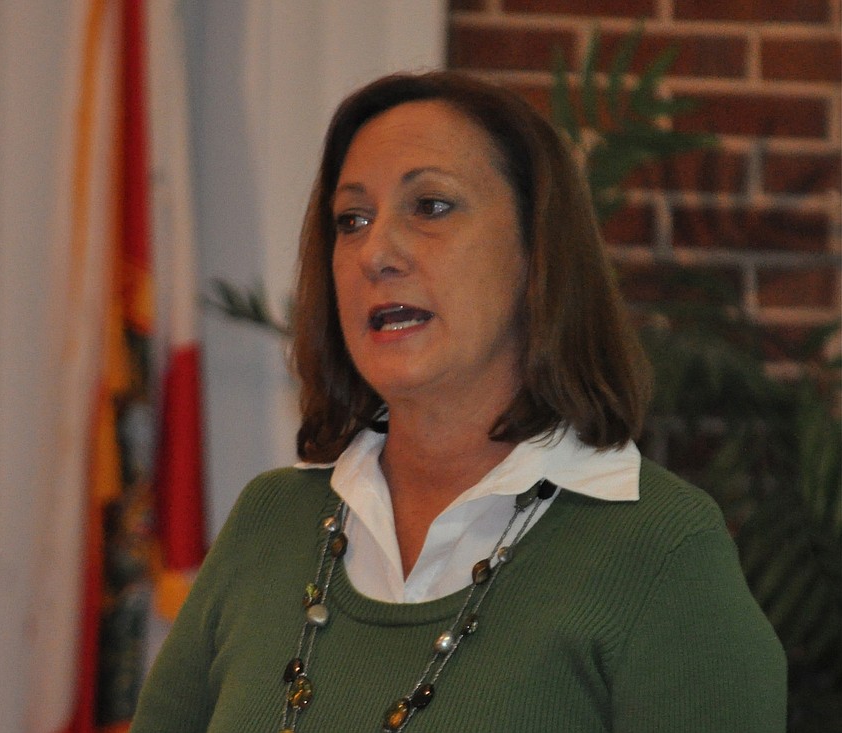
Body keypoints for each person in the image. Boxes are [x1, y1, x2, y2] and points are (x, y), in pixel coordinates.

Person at [130, 71, 786, 732]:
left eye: (431, 206)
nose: (376, 252)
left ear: (537, 249)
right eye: (352, 219)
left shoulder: (661, 551)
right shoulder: (269, 522)